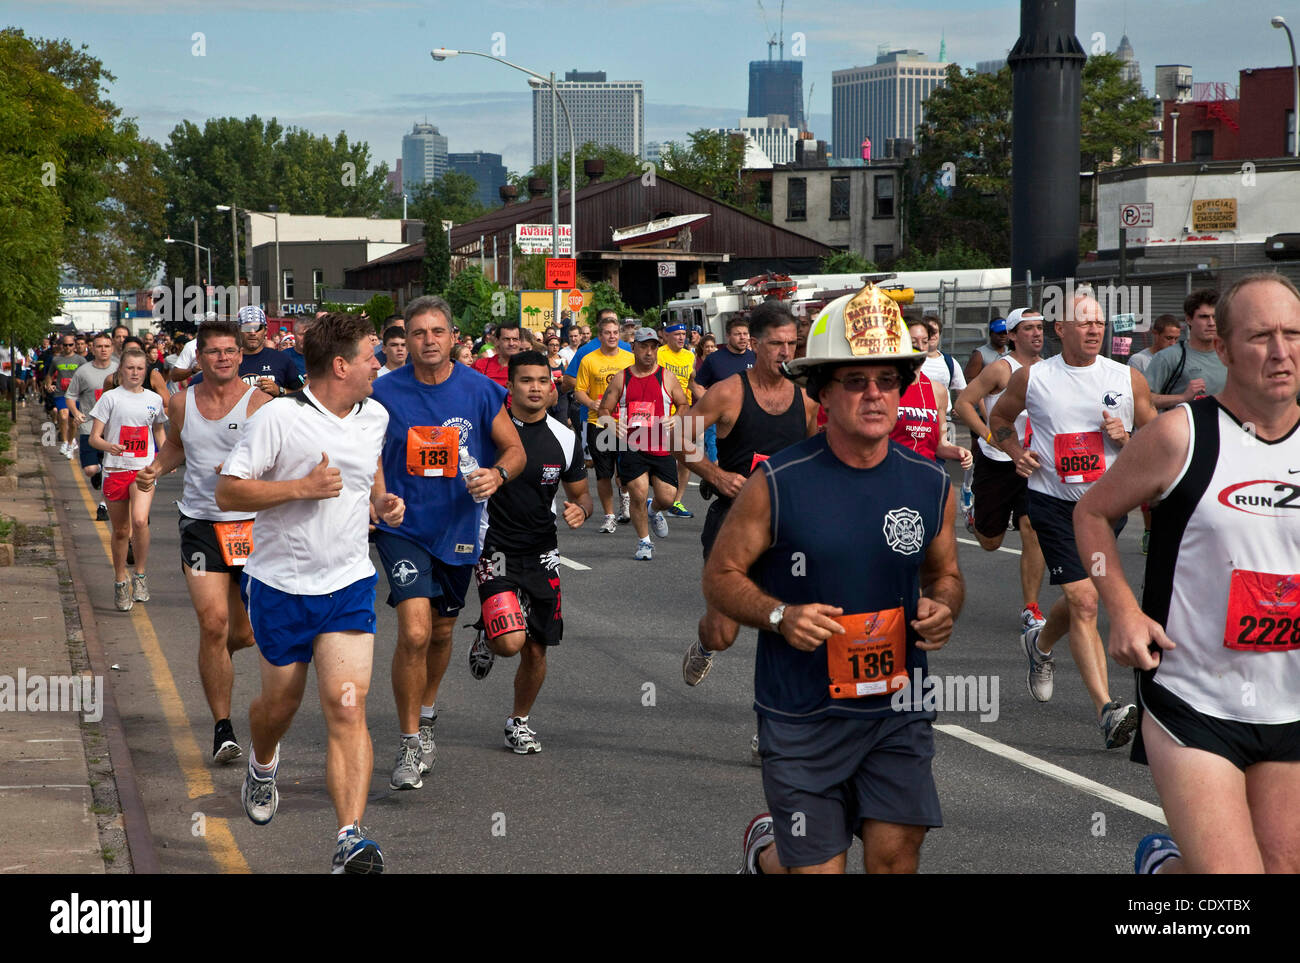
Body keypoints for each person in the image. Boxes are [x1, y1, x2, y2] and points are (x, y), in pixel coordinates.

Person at [705, 283, 962, 874]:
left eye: (887, 381)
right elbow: (721, 577)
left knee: (896, 855)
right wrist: (779, 615)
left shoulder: (929, 484)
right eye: (855, 381)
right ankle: (768, 854)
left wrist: (944, 606)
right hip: (801, 715)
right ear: (823, 391)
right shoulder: (779, 482)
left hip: (897, 708)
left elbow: (945, 575)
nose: (875, 395)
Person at [1075, 273, 1300, 874]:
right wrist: (1120, 607)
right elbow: (1092, 513)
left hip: (1289, 701)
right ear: (1222, 349)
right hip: (1193, 698)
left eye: (1292, 334)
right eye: (1259, 337)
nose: (1280, 352)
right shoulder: (1182, 435)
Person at [216, 312, 403, 874]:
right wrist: (302, 487)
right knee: (280, 705)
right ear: (341, 365)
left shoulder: (376, 413)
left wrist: (381, 502)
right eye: (373, 354)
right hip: (280, 585)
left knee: (347, 707)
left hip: (347, 581)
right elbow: (228, 491)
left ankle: (349, 837)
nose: (380, 362)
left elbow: (366, 465)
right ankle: (263, 761)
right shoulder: (278, 417)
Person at [369, 295, 525, 792]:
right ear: (405, 339)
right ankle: (409, 739)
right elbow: (366, 450)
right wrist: (379, 496)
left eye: (437, 332)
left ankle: (428, 714)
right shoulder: (382, 392)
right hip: (403, 528)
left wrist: (496, 476)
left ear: (454, 336)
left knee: (440, 633)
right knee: (413, 631)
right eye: (418, 333)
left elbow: (514, 449)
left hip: (458, 528)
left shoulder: (479, 390)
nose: (428, 341)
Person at [989, 290, 1157, 748]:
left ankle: (1040, 643)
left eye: (1099, 323)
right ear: (1060, 329)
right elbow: (1000, 418)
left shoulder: (1126, 379)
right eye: (1083, 322)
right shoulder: (1034, 377)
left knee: (1086, 593)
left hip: (1107, 507)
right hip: (1055, 505)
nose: (1094, 330)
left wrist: (1128, 437)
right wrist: (1014, 451)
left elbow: (1158, 437)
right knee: (1085, 601)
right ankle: (1107, 710)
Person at [133, 317, 272, 763]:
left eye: (231, 350)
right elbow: (178, 445)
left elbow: (278, 460)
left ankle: (217, 660)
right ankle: (223, 727)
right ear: (199, 357)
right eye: (215, 351)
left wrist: (242, 473)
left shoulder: (260, 404)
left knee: (245, 634)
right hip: (200, 524)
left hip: (250, 525)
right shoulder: (180, 402)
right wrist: (158, 466)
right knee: (213, 624)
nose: (225, 358)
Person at [680, 300, 819, 702]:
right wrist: (714, 474)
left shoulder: (806, 400)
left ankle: (772, 723)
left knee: (787, 623)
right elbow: (675, 437)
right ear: (754, 345)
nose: (786, 353)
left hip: (785, 525)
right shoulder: (728, 393)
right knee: (724, 632)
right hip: (733, 522)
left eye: (792, 344)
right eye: (776, 344)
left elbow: (813, 460)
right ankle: (705, 645)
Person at [465, 350, 593, 752]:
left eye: (542, 380)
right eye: (526, 380)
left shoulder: (566, 437)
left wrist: (581, 510)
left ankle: (518, 721)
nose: (535, 387)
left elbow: (582, 495)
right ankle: (490, 634)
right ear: (510, 385)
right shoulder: (490, 433)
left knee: (537, 646)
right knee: (510, 642)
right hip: (494, 546)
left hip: (542, 551)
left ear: (551, 387)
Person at [953, 308, 1049, 648]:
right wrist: (986, 436)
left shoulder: (1050, 370)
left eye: (1040, 327)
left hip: (1032, 462)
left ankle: (1031, 608)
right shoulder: (1000, 368)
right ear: (1012, 335)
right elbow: (964, 403)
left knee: (1031, 529)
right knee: (990, 542)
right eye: (1028, 329)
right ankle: (974, 514)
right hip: (996, 461)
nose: (1037, 334)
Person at [597, 328, 689, 560]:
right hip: (633, 446)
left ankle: (654, 509)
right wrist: (611, 424)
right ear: (634, 348)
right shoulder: (622, 377)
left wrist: (675, 417)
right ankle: (644, 542)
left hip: (660, 446)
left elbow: (684, 404)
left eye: (653, 347)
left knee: (668, 498)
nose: (649, 352)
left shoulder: (667, 376)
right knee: (637, 494)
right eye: (644, 347)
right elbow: (604, 409)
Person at [88, 347, 166, 611]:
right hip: (116, 468)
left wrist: (165, 458)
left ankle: (140, 575)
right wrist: (109, 447)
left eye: (140, 368)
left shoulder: (154, 400)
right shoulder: (110, 398)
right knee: (121, 530)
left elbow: (158, 432)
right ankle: (121, 580)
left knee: (140, 520)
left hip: (143, 468)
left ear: (146, 372)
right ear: (121, 370)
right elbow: (94, 438)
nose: (135, 373)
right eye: (130, 368)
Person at [569, 315, 634, 532]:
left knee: (625, 470)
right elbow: (579, 391)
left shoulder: (629, 359)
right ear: (600, 336)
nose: (612, 336)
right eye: (608, 332)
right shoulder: (589, 359)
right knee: (603, 473)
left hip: (625, 423)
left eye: (615, 332)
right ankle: (609, 515)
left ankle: (625, 499)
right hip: (600, 423)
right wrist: (591, 403)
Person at [65, 332, 118, 518]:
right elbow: (70, 397)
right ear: (92, 349)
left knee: (111, 469)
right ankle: (98, 473)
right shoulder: (83, 371)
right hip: (89, 427)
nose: (103, 350)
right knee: (91, 470)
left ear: (111, 348)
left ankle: (103, 505)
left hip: (113, 429)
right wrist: (76, 413)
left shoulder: (120, 370)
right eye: (99, 346)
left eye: (106, 346)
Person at [1144, 290, 1224, 410]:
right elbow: (1142, 399)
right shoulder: (1169, 357)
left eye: (1215, 317)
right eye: (1204, 317)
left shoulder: (1231, 356)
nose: (1211, 323)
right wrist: (1182, 397)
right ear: (1189, 319)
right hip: (1181, 427)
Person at [656, 322, 697, 518]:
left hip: (684, 411)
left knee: (686, 458)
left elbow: (692, 382)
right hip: (662, 412)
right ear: (666, 336)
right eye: (677, 334)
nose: (681, 337)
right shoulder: (659, 353)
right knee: (662, 458)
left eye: (684, 334)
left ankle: (676, 502)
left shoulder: (690, 356)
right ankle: (659, 498)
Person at [234, 306, 303, 397]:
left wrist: (279, 391)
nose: (252, 332)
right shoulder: (229, 360)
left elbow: (302, 393)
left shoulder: (281, 359)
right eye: (247, 327)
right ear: (239, 331)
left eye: (257, 327)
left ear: (265, 330)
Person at [46, 333, 86, 459]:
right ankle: (64, 442)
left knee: (73, 423)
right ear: (61, 346)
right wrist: (48, 385)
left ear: (74, 346)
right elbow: (49, 374)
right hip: (61, 393)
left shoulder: (80, 360)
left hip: (76, 395)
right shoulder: (56, 359)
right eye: (65, 345)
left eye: (70, 345)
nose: (68, 347)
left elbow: (87, 376)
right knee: (63, 416)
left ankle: (70, 443)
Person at [963, 317, 1010, 383]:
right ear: (991, 334)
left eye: (1005, 333)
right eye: (999, 333)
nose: (1003, 336)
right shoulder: (980, 354)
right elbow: (969, 379)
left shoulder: (1012, 352)